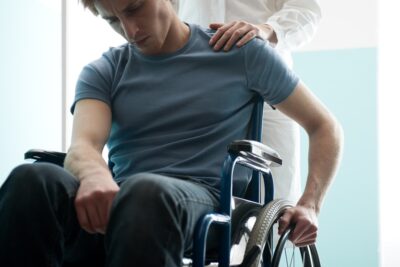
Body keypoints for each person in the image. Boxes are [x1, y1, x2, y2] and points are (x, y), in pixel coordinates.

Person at [0, 0, 342, 266]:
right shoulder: (104, 70)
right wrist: (93, 175)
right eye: (113, 19)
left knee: (144, 192)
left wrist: (310, 204)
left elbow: (325, 126)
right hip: (124, 206)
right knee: (31, 181)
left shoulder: (241, 52)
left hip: (203, 207)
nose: (131, 30)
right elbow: (84, 146)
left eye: (136, 7)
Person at [173, 0, 322, 204]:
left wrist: (267, 30)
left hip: (267, 88)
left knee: (277, 197)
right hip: (194, 84)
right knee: (189, 190)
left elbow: (306, 10)